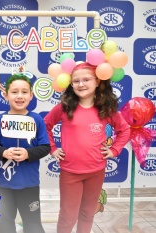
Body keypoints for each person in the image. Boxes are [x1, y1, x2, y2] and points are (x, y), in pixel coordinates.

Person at [44, 62, 130, 233]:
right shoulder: (65, 107)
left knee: (88, 213)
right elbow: (45, 125)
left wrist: (114, 150)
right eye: (76, 81)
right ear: (71, 84)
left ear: (98, 81)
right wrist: (52, 148)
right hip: (70, 172)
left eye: (86, 79)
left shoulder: (107, 109)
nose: (81, 84)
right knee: (68, 215)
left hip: (96, 171)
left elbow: (125, 130)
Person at [0, 73, 51, 233]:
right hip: (4, 184)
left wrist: (28, 154)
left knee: (33, 223)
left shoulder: (37, 120)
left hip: (29, 183)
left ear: (31, 95)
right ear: (5, 95)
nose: (19, 96)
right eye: (14, 92)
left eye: (24, 92)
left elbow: (45, 147)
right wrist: (4, 152)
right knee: (5, 223)